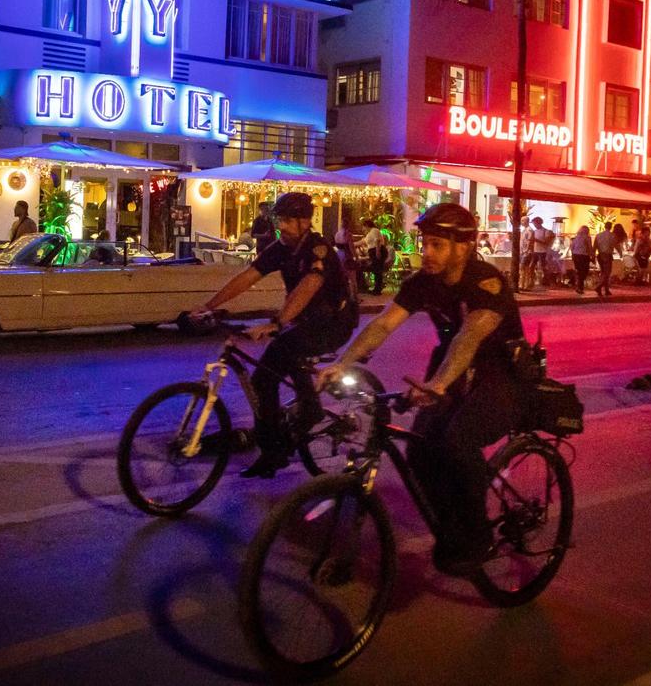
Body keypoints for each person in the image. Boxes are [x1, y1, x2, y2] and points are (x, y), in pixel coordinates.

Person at [318, 202, 526, 575]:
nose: (425, 252)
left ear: (462, 247)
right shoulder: (422, 283)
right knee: (420, 452)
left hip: (499, 374)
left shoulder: (486, 282)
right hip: (450, 368)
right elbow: (383, 325)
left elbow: (469, 335)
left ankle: (478, 536)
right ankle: (452, 528)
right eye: (424, 243)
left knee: (457, 441)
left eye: (436, 245)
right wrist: (343, 363)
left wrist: (439, 384)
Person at [194, 192, 358, 478]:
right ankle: (304, 411)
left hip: (335, 322)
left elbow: (308, 286)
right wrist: (209, 306)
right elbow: (249, 276)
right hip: (305, 321)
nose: (281, 226)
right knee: (279, 358)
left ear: (304, 221)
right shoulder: (281, 248)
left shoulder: (318, 249)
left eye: (286, 220)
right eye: (279, 219)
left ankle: (278, 447)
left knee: (269, 370)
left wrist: (278, 323)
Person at [362, 217, 387, 295]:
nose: (362, 228)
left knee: (377, 270)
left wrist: (378, 251)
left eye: (363, 226)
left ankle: (378, 289)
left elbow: (377, 241)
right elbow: (363, 241)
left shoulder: (374, 230)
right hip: (374, 252)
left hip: (378, 251)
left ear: (366, 225)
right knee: (376, 270)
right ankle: (377, 288)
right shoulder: (369, 233)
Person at [595, 222, 618, 297]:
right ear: (611, 227)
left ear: (604, 226)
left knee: (603, 272)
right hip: (607, 255)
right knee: (607, 273)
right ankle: (599, 287)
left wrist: (592, 255)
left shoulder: (598, 235)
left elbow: (595, 246)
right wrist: (620, 253)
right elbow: (616, 245)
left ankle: (606, 290)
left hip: (600, 255)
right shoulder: (612, 235)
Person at [570, 225, 592, 294]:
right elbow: (589, 247)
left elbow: (572, 247)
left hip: (576, 255)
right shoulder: (587, 238)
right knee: (584, 271)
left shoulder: (576, 238)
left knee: (579, 271)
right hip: (584, 256)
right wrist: (592, 255)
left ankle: (578, 285)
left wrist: (573, 255)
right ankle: (580, 286)